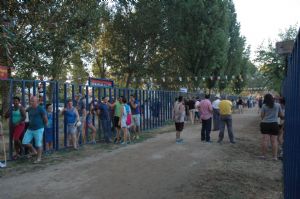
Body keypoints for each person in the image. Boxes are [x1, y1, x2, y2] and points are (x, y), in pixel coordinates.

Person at [22, 96, 48, 163]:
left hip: (39, 129)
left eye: (33, 101)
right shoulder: (29, 108)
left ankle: (39, 158)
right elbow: (23, 111)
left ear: (37, 101)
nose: (32, 102)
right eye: (31, 101)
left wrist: (43, 126)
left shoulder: (40, 109)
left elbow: (45, 118)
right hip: (30, 128)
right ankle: (34, 151)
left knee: (38, 144)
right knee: (24, 142)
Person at [260, 94, 284, 160]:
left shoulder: (264, 106)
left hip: (265, 124)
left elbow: (262, 116)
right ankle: (275, 157)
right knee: (274, 141)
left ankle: (263, 155)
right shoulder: (278, 105)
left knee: (265, 140)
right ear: (272, 98)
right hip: (274, 124)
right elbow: (281, 115)